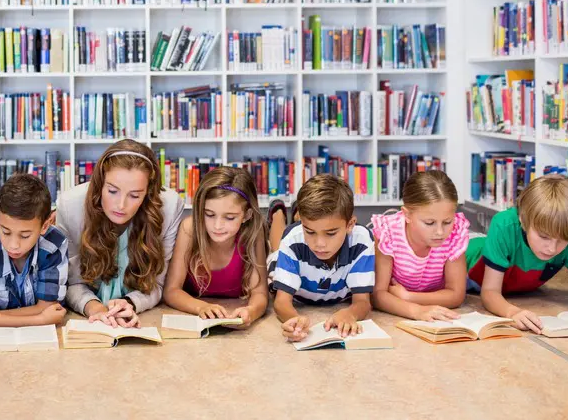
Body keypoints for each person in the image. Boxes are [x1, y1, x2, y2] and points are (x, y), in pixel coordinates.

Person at [466, 174, 568, 332]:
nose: (552, 248)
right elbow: (490, 292)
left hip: (511, 282)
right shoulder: (503, 225)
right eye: (544, 236)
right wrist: (512, 312)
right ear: (523, 220)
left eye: (562, 241)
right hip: (464, 261)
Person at [56, 139, 184, 327]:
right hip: (84, 316)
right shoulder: (69, 206)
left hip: (146, 314)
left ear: (148, 193)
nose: (121, 205)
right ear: (100, 183)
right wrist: (96, 309)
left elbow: (157, 283)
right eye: (113, 191)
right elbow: (70, 282)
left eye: (135, 195)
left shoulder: (170, 206)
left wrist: (130, 303)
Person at [0, 173, 68, 331]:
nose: (14, 245)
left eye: (25, 235)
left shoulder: (53, 245)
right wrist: (39, 319)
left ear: (45, 226)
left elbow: (49, 306)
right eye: (6, 232)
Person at [269, 174, 374, 341]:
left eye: (330, 233)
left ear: (350, 225)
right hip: (289, 254)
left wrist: (351, 313)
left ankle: (298, 213)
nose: (320, 244)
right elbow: (281, 302)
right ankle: (278, 213)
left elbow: (363, 301)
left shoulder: (362, 241)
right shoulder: (292, 240)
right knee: (276, 250)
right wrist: (293, 319)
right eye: (309, 231)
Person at [162, 166, 268, 328]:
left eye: (230, 217)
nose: (217, 226)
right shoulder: (190, 228)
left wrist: (251, 311)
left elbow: (259, 293)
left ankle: (278, 214)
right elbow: (171, 291)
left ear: (247, 215)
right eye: (209, 214)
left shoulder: (253, 233)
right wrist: (201, 307)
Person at [371, 170, 468, 321]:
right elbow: (377, 295)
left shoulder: (455, 234)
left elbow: (456, 295)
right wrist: (416, 311)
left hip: (408, 297)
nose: (440, 232)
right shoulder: (388, 233)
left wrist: (409, 297)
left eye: (447, 222)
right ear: (407, 215)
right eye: (429, 223)